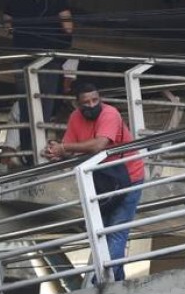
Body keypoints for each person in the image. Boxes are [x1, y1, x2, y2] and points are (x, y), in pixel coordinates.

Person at [44, 82, 143, 281]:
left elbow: (99, 145)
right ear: (76, 105)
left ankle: (102, 283)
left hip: (129, 177)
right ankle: (117, 282)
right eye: (86, 102)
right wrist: (56, 152)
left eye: (95, 100)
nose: (91, 105)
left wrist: (63, 148)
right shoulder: (75, 118)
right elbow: (72, 147)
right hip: (102, 180)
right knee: (104, 232)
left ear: (100, 98)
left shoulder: (110, 114)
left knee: (115, 233)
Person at [5, 0, 75, 152]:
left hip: (21, 55)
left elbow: (7, 22)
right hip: (47, 57)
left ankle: (26, 151)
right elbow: (67, 26)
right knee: (43, 105)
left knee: (24, 103)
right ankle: (37, 150)